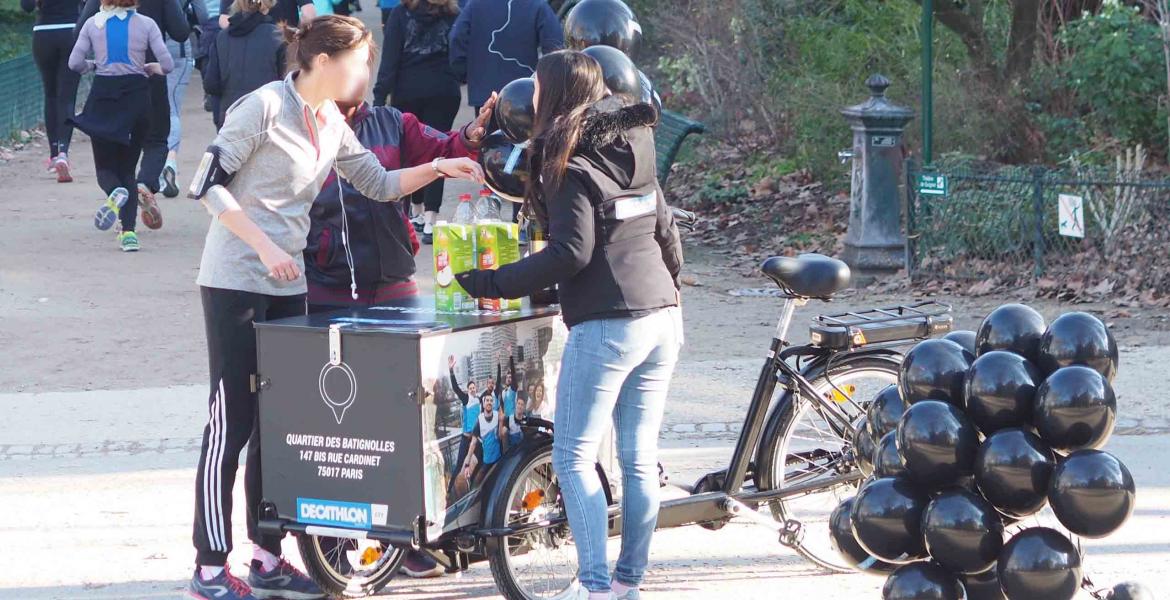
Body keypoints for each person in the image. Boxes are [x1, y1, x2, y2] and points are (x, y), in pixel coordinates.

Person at [185, 15, 482, 600]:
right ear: (324, 61)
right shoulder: (264, 107)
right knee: (232, 423)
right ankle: (209, 568)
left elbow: (375, 182)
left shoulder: (330, 122)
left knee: (278, 425)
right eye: (360, 61)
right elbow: (207, 183)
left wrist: (439, 167)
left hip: (286, 286)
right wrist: (266, 245)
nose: (367, 73)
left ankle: (267, 555)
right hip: (237, 283)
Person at [454, 50, 684, 600]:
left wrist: (491, 282)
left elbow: (570, 254)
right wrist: (671, 292)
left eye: (535, 89)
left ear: (553, 96)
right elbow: (665, 228)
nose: (529, 99)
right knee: (636, 459)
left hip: (609, 324)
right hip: (662, 316)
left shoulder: (565, 162)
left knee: (573, 457)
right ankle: (627, 582)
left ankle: (596, 585)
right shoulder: (638, 142)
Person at [303, 77, 494, 311]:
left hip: (396, 282)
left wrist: (470, 135)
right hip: (326, 287)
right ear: (327, 67)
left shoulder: (392, 122)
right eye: (351, 63)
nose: (359, 75)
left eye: (364, 64)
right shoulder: (302, 131)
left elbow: (446, 149)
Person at [70, 0, 174, 252]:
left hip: (104, 95)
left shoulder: (93, 24)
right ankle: (128, 234)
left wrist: (92, 66)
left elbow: (74, 63)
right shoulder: (147, 24)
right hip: (137, 96)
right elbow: (168, 65)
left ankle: (114, 191)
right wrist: (152, 67)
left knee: (105, 166)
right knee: (128, 168)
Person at [373, 0, 460, 244]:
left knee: (410, 151)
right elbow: (461, 50)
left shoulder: (401, 13)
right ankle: (431, 218)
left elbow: (390, 58)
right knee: (438, 150)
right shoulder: (453, 13)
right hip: (443, 89)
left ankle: (417, 210)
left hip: (407, 90)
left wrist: (380, 95)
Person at [23, 0, 82, 183]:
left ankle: (54, 154)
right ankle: (64, 152)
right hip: (71, 30)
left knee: (51, 95)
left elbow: (27, 7)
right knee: (67, 97)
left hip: (43, 33)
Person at [202, 0, 285, 129]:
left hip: (231, 117)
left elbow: (211, 84)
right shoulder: (278, 37)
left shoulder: (222, 37)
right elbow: (287, 83)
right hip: (267, 117)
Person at [158, 0, 208, 197]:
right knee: (172, 108)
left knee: (152, 110)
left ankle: (153, 167)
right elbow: (202, 15)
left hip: (141, 46)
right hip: (175, 47)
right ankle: (170, 159)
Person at [446, 354, 479, 498]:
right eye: (470, 388)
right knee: (460, 464)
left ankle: (473, 487)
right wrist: (451, 370)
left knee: (480, 462)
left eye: (473, 387)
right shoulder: (466, 399)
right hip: (466, 439)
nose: (472, 389)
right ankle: (449, 492)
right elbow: (455, 388)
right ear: (468, 389)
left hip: (476, 440)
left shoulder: (478, 400)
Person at [217, 0, 314, 29]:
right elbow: (309, 15)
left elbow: (224, 20)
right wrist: (295, 33)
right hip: (285, 40)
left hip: (247, 45)